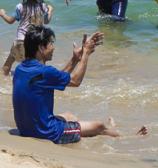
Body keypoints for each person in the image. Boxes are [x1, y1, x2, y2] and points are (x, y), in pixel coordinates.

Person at [12, 27, 148, 143]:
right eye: (51, 44)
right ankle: (127, 138)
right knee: (99, 125)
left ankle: (84, 130)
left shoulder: (21, 69)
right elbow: (76, 81)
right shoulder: (44, 71)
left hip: (26, 129)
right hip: (46, 133)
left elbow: (52, 79)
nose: (53, 47)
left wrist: (75, 60)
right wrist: (86, 54)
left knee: (68, 115)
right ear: (41, 48)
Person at [0, 0, 54, 77]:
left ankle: (1, 77)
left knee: (11, 59)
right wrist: (50, 10)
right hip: (36, 43)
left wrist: (3, 14)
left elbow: (10, 21)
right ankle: (36, 80)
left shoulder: (20, 7)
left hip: (20, 40)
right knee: (36, 63)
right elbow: (47, 21)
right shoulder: (43, 6)